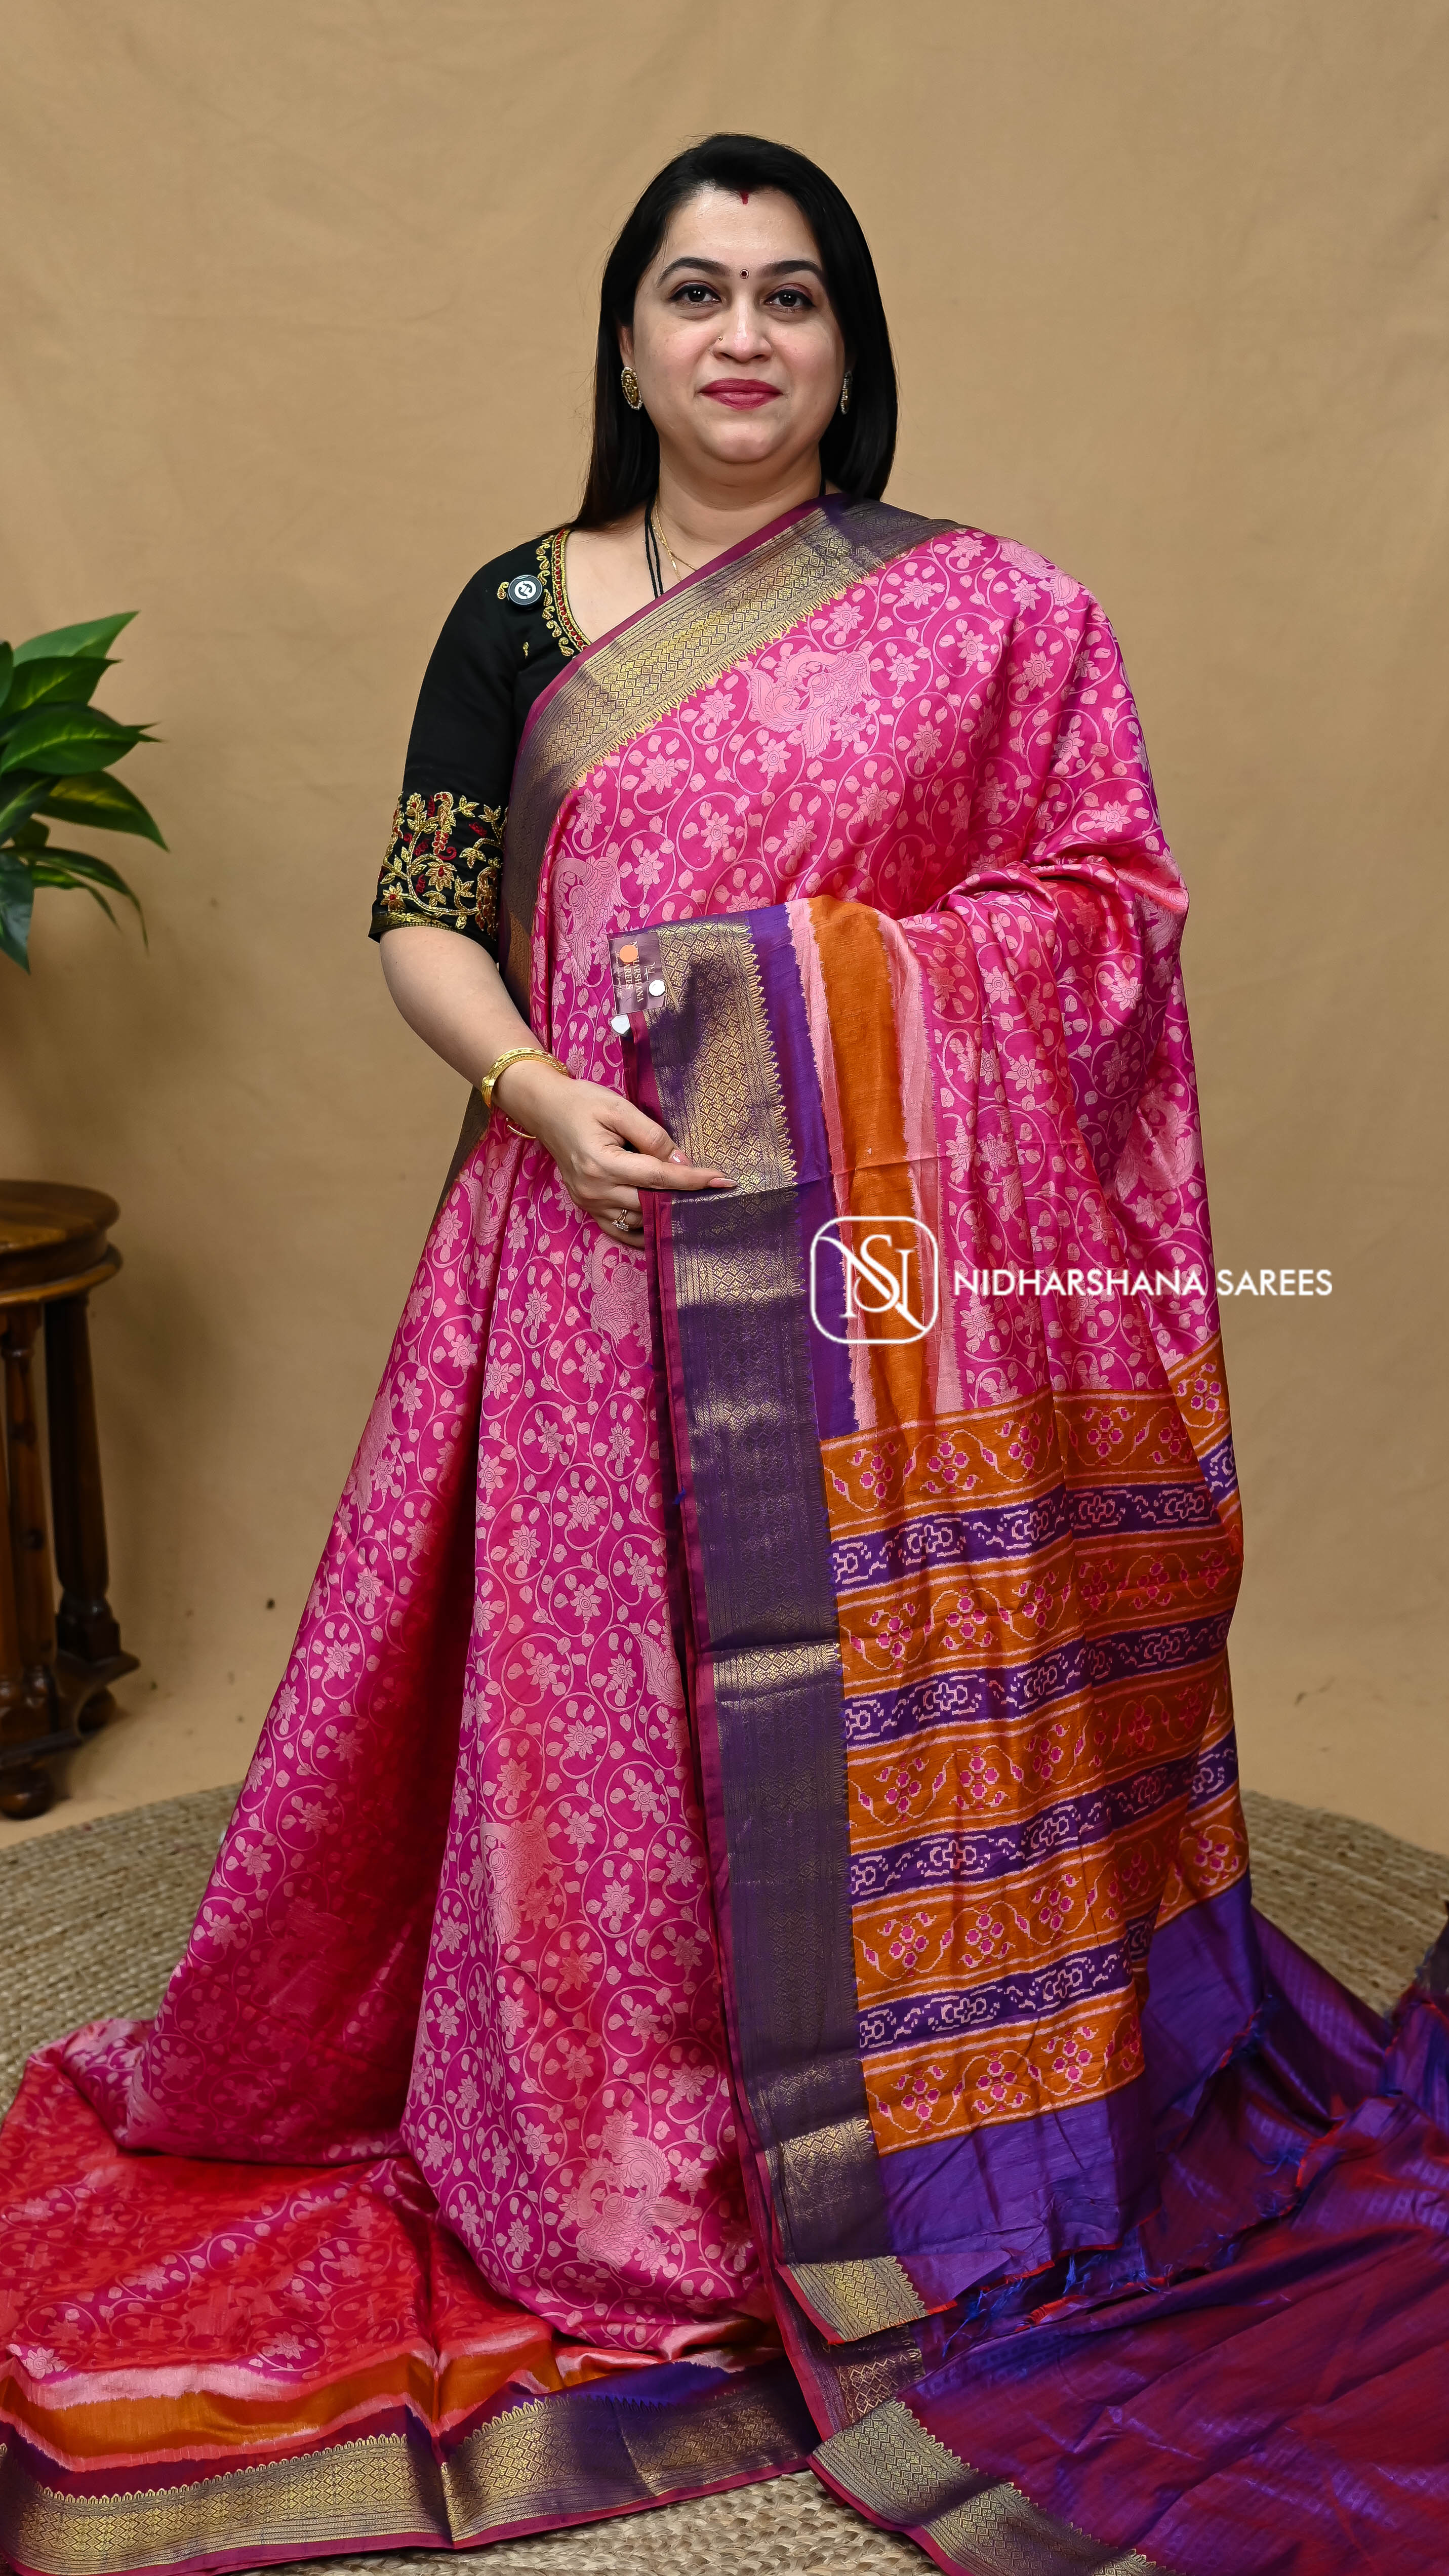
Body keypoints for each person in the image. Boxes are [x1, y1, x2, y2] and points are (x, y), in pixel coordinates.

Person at [3, 130, 1447, 2576]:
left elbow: (1103, 913)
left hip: (869, 1291)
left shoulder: (986, 617)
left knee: (866, 1688)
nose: (741, 336)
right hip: (580, 1247)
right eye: (694, 292)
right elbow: (422, 910)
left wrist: (804, 1010)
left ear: (847, 346)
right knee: (591, 1725)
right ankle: (619, 2156)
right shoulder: (516, 608)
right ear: (626, 338)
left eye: (789, 295)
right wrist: (529, 1085)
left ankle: (893, 2134)